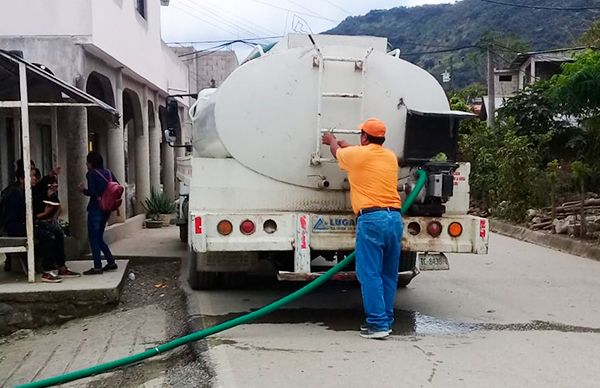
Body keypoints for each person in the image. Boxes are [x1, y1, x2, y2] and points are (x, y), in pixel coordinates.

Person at [322, 118, 403, 339]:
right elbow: (363, 155)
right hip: (394, 218)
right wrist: (351, 147)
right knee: (388, 273)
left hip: (372, 219)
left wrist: (331, 141)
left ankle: (377, 325)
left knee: (369, 274)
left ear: (365, 137)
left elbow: (336, 153)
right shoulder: (389, 156)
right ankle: (386, 320)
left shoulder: (356, 155)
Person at [3, 166, 78, 282]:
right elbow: (15, 218)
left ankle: (61, 267)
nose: (34, 178)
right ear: (22, 179)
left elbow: (39, 192)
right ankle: (47, 271)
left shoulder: (27, 191)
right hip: (17, 227)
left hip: (29, 223)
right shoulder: (14, 194)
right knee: (47, 236)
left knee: (57, 231)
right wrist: (42, 215)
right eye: (32, 176)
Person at [79, 151, 118, 275]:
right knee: (99, 237)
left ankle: (97, 266)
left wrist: (82, 190)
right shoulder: (109, 173)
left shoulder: (91, 174)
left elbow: (92, 192)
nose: (86, 164)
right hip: (107, 209)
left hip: (96, 208)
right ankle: (111, 262)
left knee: (93, 238)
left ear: (91, 163)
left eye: (87, 161)